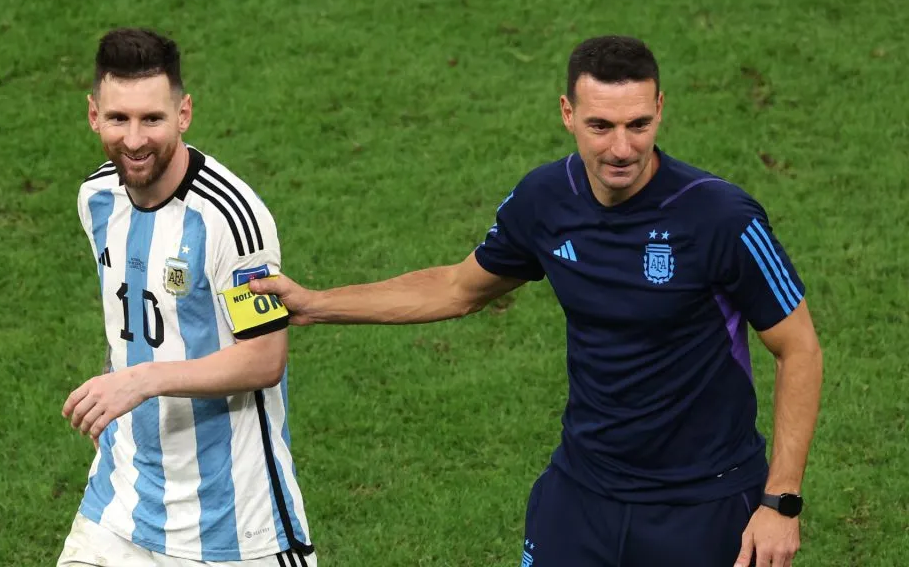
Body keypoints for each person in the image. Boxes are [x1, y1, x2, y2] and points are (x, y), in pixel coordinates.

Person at [249, 35, 823, 567]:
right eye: (600, 126)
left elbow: (799, 351)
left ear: (660, 110)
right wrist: (317, 304)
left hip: (704, 501)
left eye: (638, 124)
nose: (622, 148)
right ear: (567, 114)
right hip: (583, 491)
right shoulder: (545, 200)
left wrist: (781, 501)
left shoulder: (721, 218)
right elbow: (457, 287)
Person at [57, 28, 316, 567]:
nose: (133, 140)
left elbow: (265, 358)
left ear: (184, 113)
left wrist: (142, 381)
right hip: (120, 506)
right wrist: (120, 387)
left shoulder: (230, 219)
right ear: (92, 114)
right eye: (117, 118)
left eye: (151, 119)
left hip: (233, 530)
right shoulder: (96, 198)